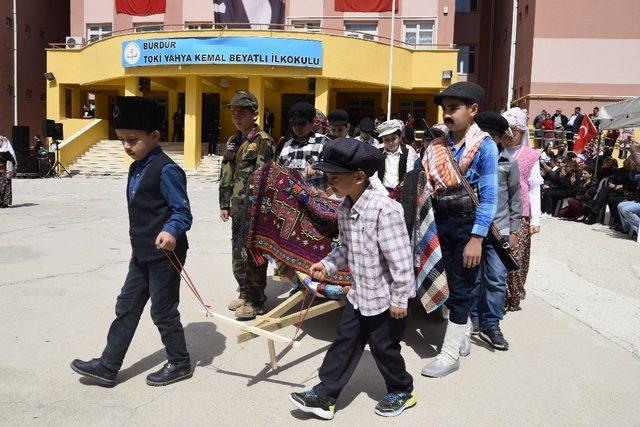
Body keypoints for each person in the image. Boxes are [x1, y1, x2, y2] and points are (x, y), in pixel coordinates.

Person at [289, 138, 416, 420]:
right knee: (344, 344)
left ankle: (402, 390)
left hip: (385, 300)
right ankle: (325, 396)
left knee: (385, 349)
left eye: (335, 177)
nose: (328, 182)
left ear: (359, 177)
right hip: (359, 295)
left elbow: (401, 261)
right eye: (327, 176)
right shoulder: (346, 208)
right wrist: (327, 265)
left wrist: (399, 299)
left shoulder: (386, 210)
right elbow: (345, 248)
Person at [70, 96, 193, 387]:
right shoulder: (135, 166)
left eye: (133, 140)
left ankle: (180, 362)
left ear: (154, 136)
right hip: (141, 254)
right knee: (126, 306)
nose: (127, 146)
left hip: (166, 254)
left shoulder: (167, 170)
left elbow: (182, 211)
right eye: (122, 140)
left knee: (162, 310)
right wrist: (136, 248)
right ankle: (108, 365)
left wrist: (171, 231)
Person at [419, 82, 498, 378]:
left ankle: (450, 354)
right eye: (445, 109)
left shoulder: (485, 147)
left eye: (454, 108)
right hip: (440, 219)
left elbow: (489, 198)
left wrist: (477, 238)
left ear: (473, 110)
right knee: (448, 282)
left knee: (462, 287)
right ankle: (461, 333)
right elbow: (423, 179)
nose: (447, 114)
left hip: (468, 223)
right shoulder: (438, 145)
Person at [219, 91, 274, 320]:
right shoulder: (234, 141)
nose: (237, 116)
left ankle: (255, 300)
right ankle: (243, 291)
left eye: (242, 112)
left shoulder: (263, 141)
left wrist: (260, 209)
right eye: (234, 112)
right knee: (237, 252)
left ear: (255, 113)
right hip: (237, 208)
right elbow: (226, 172)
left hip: (255, 210)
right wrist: (224, 203)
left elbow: (266, 177)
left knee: (253, 253)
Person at [469, 112, 522, 351]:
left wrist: (514, 230)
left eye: (493, 136)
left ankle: (492, 324)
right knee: (472, 278)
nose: (488, 140)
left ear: (501, 138)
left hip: (498, 230)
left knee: (497, 279)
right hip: (472, 230)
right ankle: (472, 320)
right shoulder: (467, 160)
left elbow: (515, 199)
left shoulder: (508, 163)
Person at [501, 107, 544, 312]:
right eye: (505, 131)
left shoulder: (530, 155)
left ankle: (514, 295)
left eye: (513, 131)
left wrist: (535, 220)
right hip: (499, 212)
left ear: (521, 132)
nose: (509, 136)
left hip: (522, 214)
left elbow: (535, 187)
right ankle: (498, 296)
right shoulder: (494, 151)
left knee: (516, 257)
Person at [278, 101, 328, 190]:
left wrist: (317, 168)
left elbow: (330, 167)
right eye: (294, 124)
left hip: (316, 198)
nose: (297, 128)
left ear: (312, 123)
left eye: (302, 124)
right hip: (291, 198)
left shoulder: (323, 142)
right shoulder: (286, 146)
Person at [375, 119, 418, 192]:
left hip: (401, 193)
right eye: (386, 140)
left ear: (400, 137)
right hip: (381, 192)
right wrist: (385, 193)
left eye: (393, 138)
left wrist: (396, 193)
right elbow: (374, 177)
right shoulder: (378, 152)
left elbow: (408, 176)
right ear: (382, 139)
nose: (390, 143)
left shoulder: (408, 153)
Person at [0, 135, 17, 208]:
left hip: (5, 172)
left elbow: (10, 161)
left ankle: (5, 202)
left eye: (0, 141)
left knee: (5, 187)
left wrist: (9, 172)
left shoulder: (7, 152)